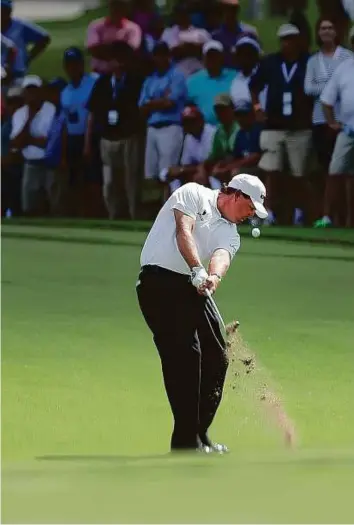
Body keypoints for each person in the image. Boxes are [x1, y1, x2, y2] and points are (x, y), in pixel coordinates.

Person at [136, 173, 268, 453]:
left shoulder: (231, 232)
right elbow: (184, 230)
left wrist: (213, 277)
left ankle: (199, 432)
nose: (251, 215)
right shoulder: (194, 193)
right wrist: (197, 268)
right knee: (186, 354)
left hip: (191, 286)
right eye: (250, 207)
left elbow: (222, 256)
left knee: (217, 355)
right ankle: (185, 441)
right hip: (158, 282)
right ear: (236, 195)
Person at [250, 23, 312, 225]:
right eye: (285, 39)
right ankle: (266, 211)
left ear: (298, 41)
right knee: (271, 171)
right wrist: (257, 107)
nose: (288, 43)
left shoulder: (307, 62)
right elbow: (254, 85)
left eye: (292, 39)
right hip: (273, 124)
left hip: (300, 126)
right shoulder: (270, 62)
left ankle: (299, 213)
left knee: (298, 173)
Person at [85, 42, 144, 220]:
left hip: (129, 136)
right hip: (107, 138)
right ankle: (114, 215)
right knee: (110, 182)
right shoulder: (102, 83)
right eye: (114, 59)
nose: (118, 63)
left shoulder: (135, 81)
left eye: (121, 59)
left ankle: (134, 215)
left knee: (131, 180)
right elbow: (92, 113)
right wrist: (88, 142)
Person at [304, 18, 353, 193]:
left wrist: (331, 86)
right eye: (323, 28)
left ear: (336, 32)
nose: (326, 31)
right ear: (318, 33)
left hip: (343, 120)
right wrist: (333, 85)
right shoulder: (313, 60)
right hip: (320, 118)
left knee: (346, 169)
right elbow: (308, 88)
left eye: (330, 28)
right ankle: (328, 213)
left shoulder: (346, 56)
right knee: (326, 166)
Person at [139, 42, 187, 185]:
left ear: (168, 56)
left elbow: (170, 103)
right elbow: (142, 107)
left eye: (162, 54)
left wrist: (152, 102)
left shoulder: (177, 76)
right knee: (151, 175)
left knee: (167, 174)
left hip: (171, 127)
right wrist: (160, 101)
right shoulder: (150, 79)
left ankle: (172, 206)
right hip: (152, 128)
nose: (159, 58)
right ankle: (157, 206)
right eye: (156, 55)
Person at [9, 75, 57, 215]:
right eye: (28, 91)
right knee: (29, 207)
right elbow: (16, 143)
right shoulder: (20, 114)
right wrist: (29, 118)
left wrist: (28, 140)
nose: (32, 95)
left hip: (49, 164)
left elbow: (48, 142)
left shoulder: (50, 109)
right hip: (30, 164)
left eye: (34, 91)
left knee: (53, 205)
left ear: (40, 91)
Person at [60, 47, 99, 217]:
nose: (72, 68)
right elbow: (64, 122)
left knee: (92, 180)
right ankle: (79, 214)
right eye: (69, 65)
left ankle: (95, 213)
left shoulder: (92, 83)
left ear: (82, 64)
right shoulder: (65, 91)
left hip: (89, 136)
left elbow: (93, 114)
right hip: (72, 138)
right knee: (74, 180)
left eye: (75, 64)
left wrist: (88, 144)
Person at [316, 55, 354, 227]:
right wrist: (332, 122)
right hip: (348, 131)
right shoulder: (345, 68)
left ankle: (350, 220)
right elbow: (326, 99)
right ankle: (327, 217)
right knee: (335, 172)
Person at [164, 105, 216, 194]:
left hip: (213, 171)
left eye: (192, 121)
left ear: (201, 120)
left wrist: (182, 170)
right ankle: (175, 205)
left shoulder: (211, 132)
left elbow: (210, 163)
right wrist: (180, 170)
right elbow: (187, 163)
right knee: (171, 176)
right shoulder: (189, 137)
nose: (190, 125)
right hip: (197, 170)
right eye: (186, 122)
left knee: (207, 177)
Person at [187, 40, 237, 126]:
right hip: (204, 130)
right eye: (209, 56)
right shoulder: (192, 81)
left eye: (215, 56)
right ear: (203, 58)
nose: (212, 60)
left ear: (221, 57)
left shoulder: (234, 77)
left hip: (230, 126)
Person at [1, 0, 50, 85]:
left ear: (9, 11)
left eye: (4, 10)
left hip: (17, 73)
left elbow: (44, 38)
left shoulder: (19, 26)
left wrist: (29, 58)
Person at [86, 0, 142, 75]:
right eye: (115, 5)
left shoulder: (133, 28)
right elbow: (93, 49)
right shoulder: (95, 26)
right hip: (99, 73)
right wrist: (118, 49)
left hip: (124, 73)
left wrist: (106, 48)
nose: (117, 9)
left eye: (120, 5)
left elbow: (130, 51)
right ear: (109, 6)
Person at [213, 100, 263, 180]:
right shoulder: (240, 133)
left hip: (259, 168)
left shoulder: (258, 130)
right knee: (220, 172)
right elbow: (235, 156)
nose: (241, 118)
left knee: (236, 173)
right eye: (238, 115)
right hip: (246, 167)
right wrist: (222, 165)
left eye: (244, 115)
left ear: (252, 114)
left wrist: (229, 167)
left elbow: (255, 157)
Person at [161, 4, 211, 78]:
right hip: (177, 74)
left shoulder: (201, 32)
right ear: (175, 15)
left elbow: (208, 52)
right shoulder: (168, 33)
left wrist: (184, 47)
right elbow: (175, 52)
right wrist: (194, 47)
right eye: (179, 13)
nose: (182, 16)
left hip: (199, 72)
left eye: (185, 13)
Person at [206, 93, 239, 188]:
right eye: (218, 110)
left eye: (224, 109)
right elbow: (214, 155)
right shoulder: (219, 130)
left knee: (233, 172)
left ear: (232, 109)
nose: (221, 113)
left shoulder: (239, 127)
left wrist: (225, 165)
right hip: (226, 163)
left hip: (240, 163)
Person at [211, 0, 258, 67]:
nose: (230, 13)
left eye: (233, 9)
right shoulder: (215, 36)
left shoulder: (250, 32)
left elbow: (257, 56)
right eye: (226, 9)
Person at [230, 36, 265, 109]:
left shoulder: (264, 78)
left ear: (256, 57)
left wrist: (256, 109)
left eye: (249, 54)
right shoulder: (233, 80)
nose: (245, 58)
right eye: (241, 54)